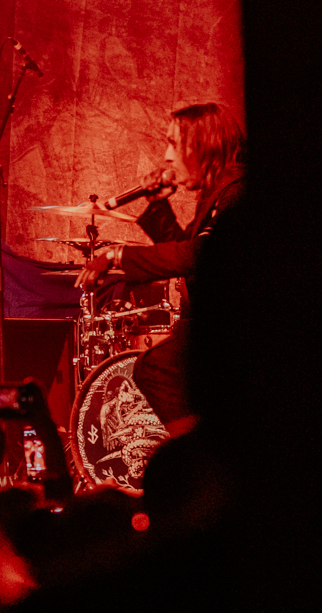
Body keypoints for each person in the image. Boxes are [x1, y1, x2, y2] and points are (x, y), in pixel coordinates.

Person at [75, 101, 244, 428]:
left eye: (174, 144)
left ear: (201, 146)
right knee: (159, 368)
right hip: (214, 327)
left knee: (159, 368)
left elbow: (203, 253)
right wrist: (157, 205)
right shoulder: (219, 191)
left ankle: (200, 456)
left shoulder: (236, 192)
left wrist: (118, 255)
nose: (167, 156)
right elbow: (190, 250)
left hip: (230, 329)